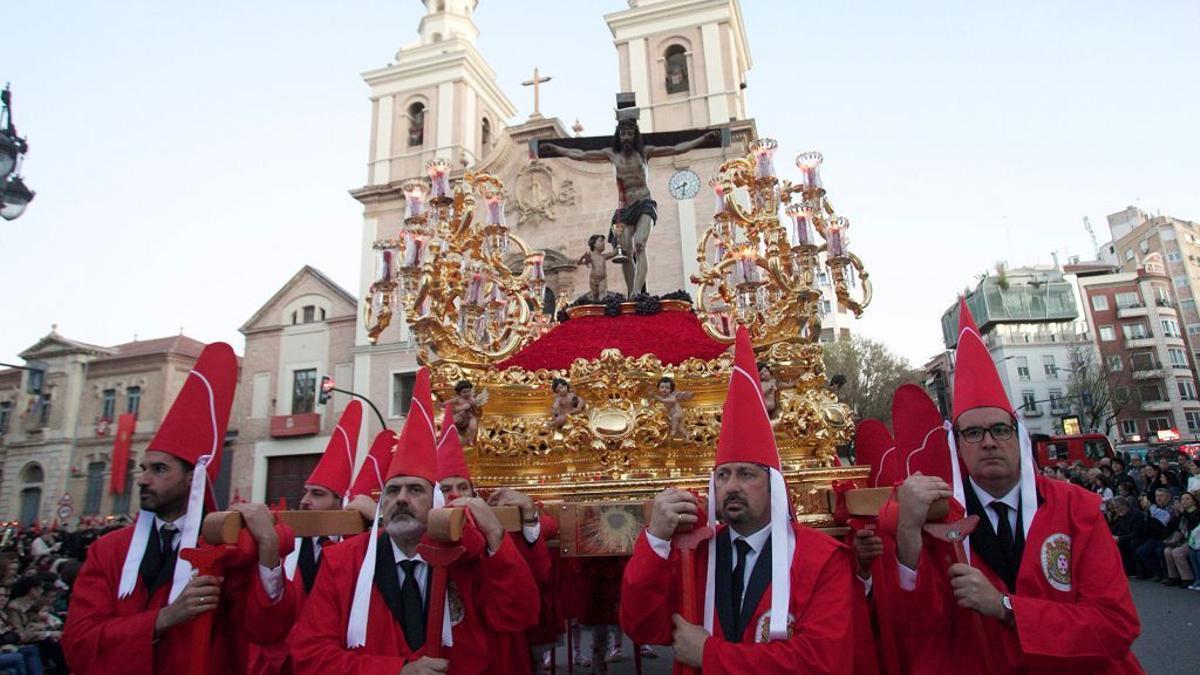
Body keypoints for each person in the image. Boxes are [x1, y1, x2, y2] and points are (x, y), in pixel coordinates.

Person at [886, 299, 1142, 673]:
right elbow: (916, 627)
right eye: (973, 432)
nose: (988, 442)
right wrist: (907, 533)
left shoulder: (1076, 509)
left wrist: (1007, 608)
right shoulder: (939, 516)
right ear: (956, 444)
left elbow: (1116, 626)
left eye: (999, 429)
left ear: (1018, 436)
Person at [621, 327, 866, 673]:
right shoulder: (697, 554)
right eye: (723, 475)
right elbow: (642, 627)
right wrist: (656, 540)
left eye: (747, 474)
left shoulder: (820, 559)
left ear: (774, 486)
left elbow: (822, 662)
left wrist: (710, 655)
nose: (731, 486)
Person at [62, 343, 298, 674]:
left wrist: (269, 551)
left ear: (193, 478)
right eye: (143, 468)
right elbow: (78, 644)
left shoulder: (230, 548)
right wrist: (165, 618)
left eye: (159, 470)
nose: (142, 479)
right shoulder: (108, 551)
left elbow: (268, 632)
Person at [288, 367, 539, 674]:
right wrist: (397, 671)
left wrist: (495, 539)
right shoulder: (343, 561)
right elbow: (310, 654)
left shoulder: (467, 558)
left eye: (415, 490)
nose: (401, 499)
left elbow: (518, 616)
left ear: (435, 501)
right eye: (392, 491)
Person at [541, 119, 721, 296]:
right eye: (623, 134)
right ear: (618, 136)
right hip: (626, 209)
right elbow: (580, 155)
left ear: (635, 136)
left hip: (644, 203)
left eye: (630, 134)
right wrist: (557, 149)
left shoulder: (644, 153)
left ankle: (637, 291)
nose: (626, 137)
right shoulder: (612, 155)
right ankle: (632, 294)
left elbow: (676, 148)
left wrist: (702, 139)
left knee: (640, 245)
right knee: (625, 251)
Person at [251, 401, 366, 675]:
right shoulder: (288, 544)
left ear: (341, 501)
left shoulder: (357, 550)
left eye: (317, 494)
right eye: (306, 492)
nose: (304, 501)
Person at [435, 405, 551, 675]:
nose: (455, 496)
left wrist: (529, 519)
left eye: (462, 487)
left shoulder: (493, 528)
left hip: (500, 649)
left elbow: (537, 576)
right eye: (445, 489)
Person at [1164, 491, 1200, 587]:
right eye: (1182, 499)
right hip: (1181, 539)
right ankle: (1174, 577)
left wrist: (1183, 512)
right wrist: (1176, 515)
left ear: (1194, 501)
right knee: (1167, 551)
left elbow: (1194, 524)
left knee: (1177, 552)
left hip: (1193, 541)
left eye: (1187, 499)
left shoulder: (1196, 512)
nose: (1184, 501)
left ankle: (1187, 578)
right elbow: (1173, 528)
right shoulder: (1181, 512)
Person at [578, 235, 617, 302]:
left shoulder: (603, 256)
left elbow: (613, 254)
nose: (603, 243)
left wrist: (618, 247)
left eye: (603, 241)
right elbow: (580, 262)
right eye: (601, 241)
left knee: (602, 293)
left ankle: (602, 305)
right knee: (595, 294)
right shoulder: (591, 255)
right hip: (593, 278)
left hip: (603, 278)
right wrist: (584, 258)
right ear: (594, 244)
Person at [450, 380, 486, 446]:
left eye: (469, 391)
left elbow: (472, 409)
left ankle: (470, 440)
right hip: (460, 416)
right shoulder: (457, 399)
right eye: (464, 392)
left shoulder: (472, 400)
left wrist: (473, 406)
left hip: (470, 417)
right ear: (459, 393)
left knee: (473, 427)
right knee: (452, 421)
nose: (467, 393)